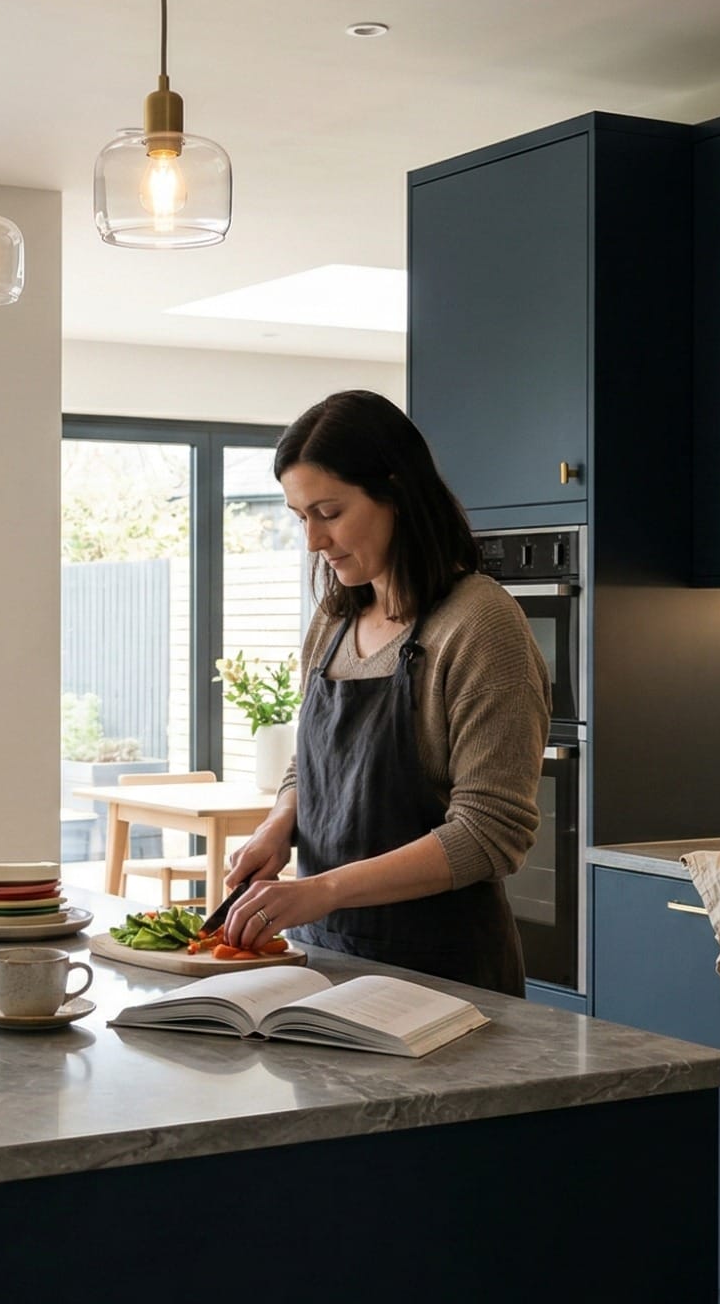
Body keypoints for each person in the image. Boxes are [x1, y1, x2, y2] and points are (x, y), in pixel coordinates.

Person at [221, 390, 549, 994]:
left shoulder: (480, 625)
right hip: (325, 962)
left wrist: (321, 889)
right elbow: (312, 766)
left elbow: (489, 834)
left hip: (444, 981)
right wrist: (279, 825)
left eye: (329, 512)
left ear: (395, 491)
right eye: (301, 517)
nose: (313, 541)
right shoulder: (333, 620)